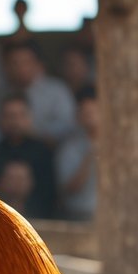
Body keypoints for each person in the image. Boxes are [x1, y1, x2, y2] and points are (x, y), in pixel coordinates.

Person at [0, 95, 57, 217]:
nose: (15, 121)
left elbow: (51, 193)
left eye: (20, 115)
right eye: (10, 116)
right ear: (2, 119)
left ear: (29, 118)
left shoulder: (43, 153)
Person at [2, 41, 76, 143]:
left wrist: (35, 133)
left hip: (50, 150)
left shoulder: (56, 90)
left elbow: (68, 124)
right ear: (7, 67)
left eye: (25, 62)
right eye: (15, 63)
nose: (20, 68)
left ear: (37, 64)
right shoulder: (1, 92)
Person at [55, 91, 98, 220]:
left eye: (94, 112)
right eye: (86, 113)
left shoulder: (118, 145)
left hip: (111, 214)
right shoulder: (69, 148)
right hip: (79, 215)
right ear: (78, 117)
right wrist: (90, 156)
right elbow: (69, 188)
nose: (90, 117)